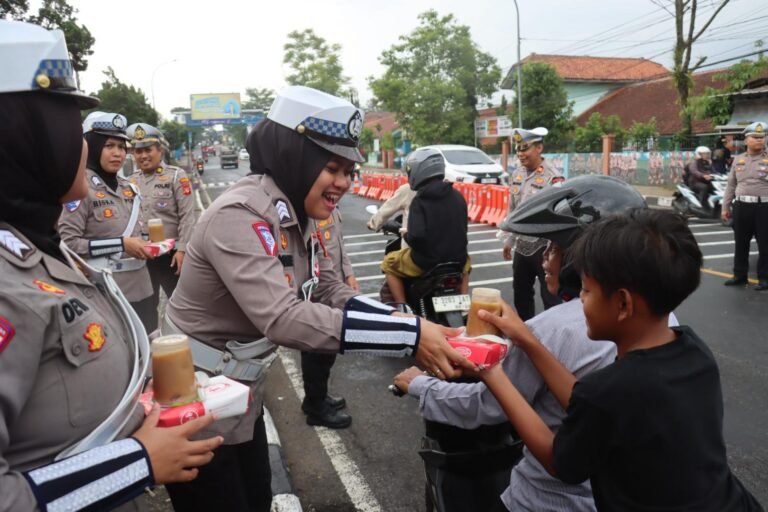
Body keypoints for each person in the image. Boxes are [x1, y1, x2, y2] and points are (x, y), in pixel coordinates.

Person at [160, 85, 474, 511]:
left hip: (240, 395)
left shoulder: (296, 215)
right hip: (193, 402)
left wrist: (408, 323)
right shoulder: (242, 215)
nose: (344, 183)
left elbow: (327, 289)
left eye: (349, 170)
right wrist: (408, 335)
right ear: (295, 157)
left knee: (255, 497)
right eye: (332, 168)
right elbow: (283, 319)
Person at [0, 20, 222, 512]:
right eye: (64, 125)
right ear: (22, 138)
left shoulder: (35, 246)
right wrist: (137, 462)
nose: (83, 145)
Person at [471, 208, 763, 511]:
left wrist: (492, 374)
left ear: (623, 303)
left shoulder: (607, 391)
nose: (581, 299)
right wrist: (528, 340)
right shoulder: (694, 352)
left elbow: (560, 462)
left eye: (586, 289)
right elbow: (600, 408)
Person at [394, 176, 655, 511]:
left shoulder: (560, 327)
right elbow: (580, 400)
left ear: (589, 256)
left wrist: (421, 384)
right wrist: (526, 339)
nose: (545, 260)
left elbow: (489, 405)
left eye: (555, 250)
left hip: (547, 501)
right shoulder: (659, 323)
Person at [58, 111, 156, 333]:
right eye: (109, 145)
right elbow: (68, 244)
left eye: (122, 147)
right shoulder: (80, 189)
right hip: (106, 293)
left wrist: (150, 244)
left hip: (143, 288)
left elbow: (137, 234)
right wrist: (121, 244)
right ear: (92, 146)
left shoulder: (130, 188)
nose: (117, 153)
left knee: (152, 351)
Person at [128, 123, 197, 330]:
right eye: (138, 151)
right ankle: (151, 352)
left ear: (160, 150)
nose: (143, 156)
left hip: (172, 256)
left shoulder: (177, 176)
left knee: (182, 307)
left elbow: (187, 216)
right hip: (142, 256)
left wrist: (183, 249)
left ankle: (190, 350)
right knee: (146, 307)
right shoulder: (129, 182)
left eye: (148, 150)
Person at [380, 147, 470, 304]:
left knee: (389, 262)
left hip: (426, 262)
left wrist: (405, 233)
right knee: (467, 265)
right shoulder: (457, 196)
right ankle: (462, 303)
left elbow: (417, 237)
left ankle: (403, 307)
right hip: (457, 260)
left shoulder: (420, 201)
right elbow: (461, 228)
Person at [301, 206, 358, 428]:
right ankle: (316, 408)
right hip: (317, 288)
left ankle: (316, 398)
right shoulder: (307, 207)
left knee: (328, 350)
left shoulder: (329, 205)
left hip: (335, 282)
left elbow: (339, 245)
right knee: (317, 346)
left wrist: (349, 274)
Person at [502, 127, 563, 320]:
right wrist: (509, 240)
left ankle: (553, 338)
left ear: (539, 148)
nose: (520, 154)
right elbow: (513, 209)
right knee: (521, 294)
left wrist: (556, 249)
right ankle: (527, 334)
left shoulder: (553, 177)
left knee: (550, 296)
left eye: (525, 148)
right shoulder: (517, 174)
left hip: (544, 247)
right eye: (518, 149)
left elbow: (560, 215)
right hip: (522, 245)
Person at [722, 122, 768, 290]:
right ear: (746, 140)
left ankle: (765, 278)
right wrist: (725, 208)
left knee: (765, 244)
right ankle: (739, 275)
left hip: (764, 207)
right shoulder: (738, 160)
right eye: (755, 137)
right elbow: (731, 185)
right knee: (740, 243)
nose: (760, 140)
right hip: (741, 206)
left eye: (762, 137)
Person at [367, 178, 417, 247]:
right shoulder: (436, 188)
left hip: (412, 249)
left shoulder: (408, 189)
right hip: (435, 248)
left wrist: (373, 224)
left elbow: (386, 210)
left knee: (392, 257)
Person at [684, 146, 715, 211]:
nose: (707, 155)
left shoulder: (707, 162)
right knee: (704, 187)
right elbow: (694, 171)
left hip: (705, 181)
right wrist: (703, 176)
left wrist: (722, 175)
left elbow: (714, 171)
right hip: (695, 182)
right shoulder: (694, 162)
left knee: (715, 188)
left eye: (707, 153)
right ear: (699, 154)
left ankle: (712, 205)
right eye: (704, 154)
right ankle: (702, 205)